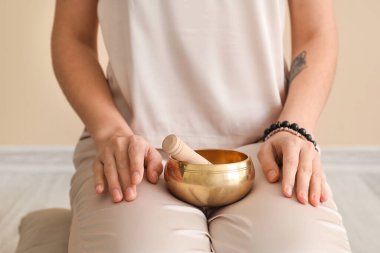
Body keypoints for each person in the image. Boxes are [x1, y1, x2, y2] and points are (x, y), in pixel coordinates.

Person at [51, 0, 351, 252]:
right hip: (133, 147)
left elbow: (316, 31)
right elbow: (73, 36)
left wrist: (294, 127)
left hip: (268, 148)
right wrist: (110, 131)